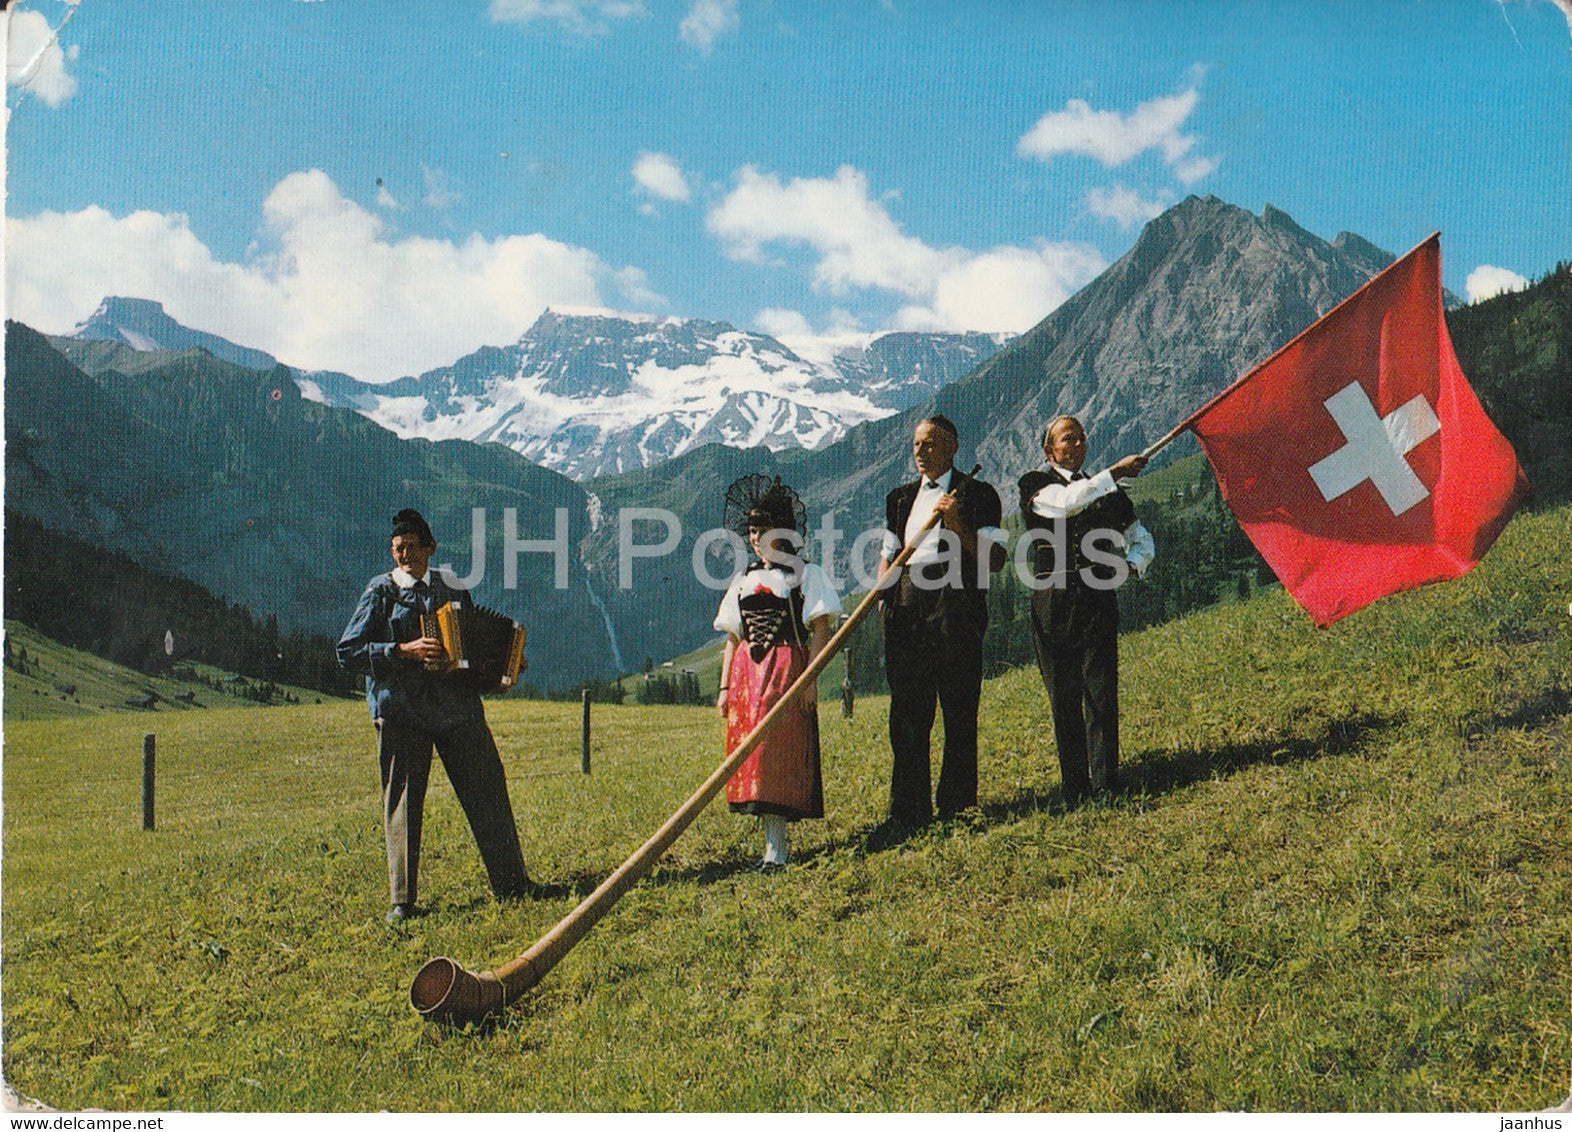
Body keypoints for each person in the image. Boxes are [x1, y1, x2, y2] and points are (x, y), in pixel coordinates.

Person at [337, 508, 532, 925]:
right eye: (398, 549)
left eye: (412, 547)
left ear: (430, 548)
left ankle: (513, 884)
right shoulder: (380, 592)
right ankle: (402, 902)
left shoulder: (453, 587)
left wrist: (505, 665)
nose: (405, 555)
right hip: (402, 711)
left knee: (488, 788)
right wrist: (401, 651)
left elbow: (470, 652)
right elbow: (347, 651)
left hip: (457, 711)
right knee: (404, 803)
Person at [1018, 415, 1155, 806]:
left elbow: (1140, 538)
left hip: (1096, 597)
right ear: (1049, 451)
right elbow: (1064, 505)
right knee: (1064, 696)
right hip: (1052, 601)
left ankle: (1107, 782)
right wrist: (1112, 474)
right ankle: (1075, 788)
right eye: (1067, 439)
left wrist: (1131, 565)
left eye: (1080, 437)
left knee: (1101, 690)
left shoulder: (1108, 491)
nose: (1077, 444)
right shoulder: (1035, 484)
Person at [879, 415, 1007, 825]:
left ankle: (957, 805)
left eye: (930, 444)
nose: (920, 451)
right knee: (907, 714)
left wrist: (956, 523)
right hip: (907, 607)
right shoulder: (898, 499)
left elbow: (996, 560)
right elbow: (889, 552)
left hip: (956, 608)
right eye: (916, 444)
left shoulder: (979, 494)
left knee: (958, 707)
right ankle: (908, 810)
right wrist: (885, 595)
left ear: (952, 448)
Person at [713, 475, 841, 870]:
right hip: (747, 676)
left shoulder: (805, 575)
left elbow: (821, 629)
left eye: (764, 529)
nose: (755, 537)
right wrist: (724, 687)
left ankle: (777, 848)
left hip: (787, 670)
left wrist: (811, 680)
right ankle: (772, 843)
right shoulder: (744, 579)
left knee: (777, 755)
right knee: (753, 759)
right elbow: (733, 638)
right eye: (752, 530)